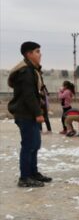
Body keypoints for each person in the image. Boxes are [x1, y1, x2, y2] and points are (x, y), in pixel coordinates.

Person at [7, 41, 52, 187]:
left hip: (29, 113)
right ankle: (25, 177)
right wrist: (38, 113)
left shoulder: (33, 69)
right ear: (29, 54)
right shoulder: (26, 71)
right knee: (29, 145)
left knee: (35, 145)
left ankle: (33, 173)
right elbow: (29, 95)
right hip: (26, 114)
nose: (40, 54)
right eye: (37, 51)